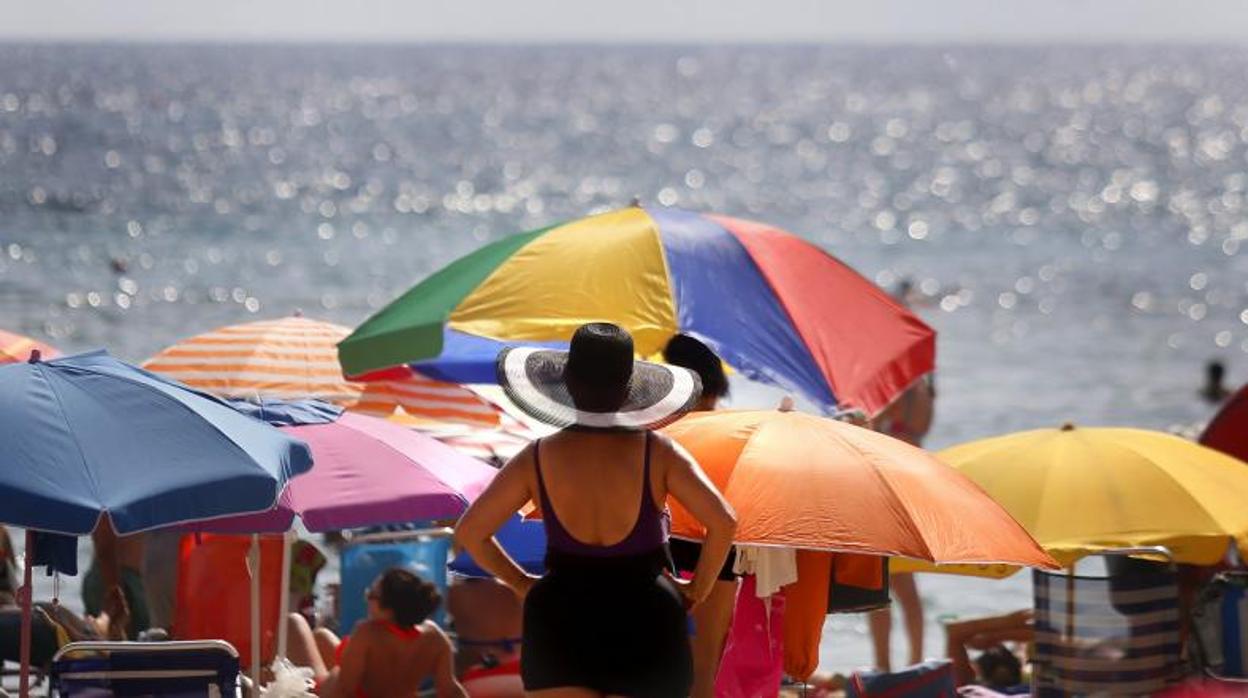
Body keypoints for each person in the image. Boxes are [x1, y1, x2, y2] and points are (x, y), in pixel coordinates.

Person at [454, 323, 737, 697]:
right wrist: (696, 591)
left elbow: (471, 531)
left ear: (568, 383)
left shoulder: (537, 457)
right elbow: (723, 522)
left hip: (560, 617)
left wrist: (522, 583)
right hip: (647, 616)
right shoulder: (658, 453)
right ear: (629, 388)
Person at [662, 334, 739, 698]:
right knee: (706, 661)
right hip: (720, 547)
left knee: (658, 658)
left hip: (666, 541)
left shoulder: (660, 429)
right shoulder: (735, 430)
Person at [285, 567, 465, 698]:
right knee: (322, 636)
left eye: (371, 595)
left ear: (390, 608)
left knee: (293, 622)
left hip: (334, 693)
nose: (367, 599)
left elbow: (344, 690)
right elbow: (450, 689)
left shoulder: (368, 633)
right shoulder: (434, 636)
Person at [868, 373, 934, 670]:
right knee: (893, 587)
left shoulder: (907, 389)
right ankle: (904, 662)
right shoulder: (918, 388)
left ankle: (894, 663)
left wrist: (873, 414)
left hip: (894, 493)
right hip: (900, 490)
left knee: (887, 586)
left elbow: (874, 431)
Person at [83, 517, 150, 639]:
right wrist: (114, 588)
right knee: (118, 644)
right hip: (118, 580)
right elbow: (104, 543)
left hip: (125, 579)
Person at [944, 610, 1031, 691]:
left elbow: (955, 632)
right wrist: (998, 634)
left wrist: (1005, 624)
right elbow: (955, 632)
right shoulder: (1031, 688)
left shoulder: (962, 690)